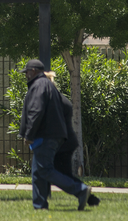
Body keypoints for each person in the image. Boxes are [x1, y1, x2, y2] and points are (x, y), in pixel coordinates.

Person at [18, 59, 91, 211]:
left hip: (45, 136)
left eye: (27, 72)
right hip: (52, 135)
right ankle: (40, 205)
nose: (26, 75)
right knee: (38, 172)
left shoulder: (39, 85)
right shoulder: (48, 85)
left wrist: (29, 134)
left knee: (45, 170)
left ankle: (80, 189)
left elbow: (36, 111)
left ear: (34, 71)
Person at [46, 71, 101, 206]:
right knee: (61, 174)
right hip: (67, 142)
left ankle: (86, 194)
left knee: (60, 175)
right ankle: (88, 196)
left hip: (62, 144)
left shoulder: (52, 100)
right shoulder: (60, 98)